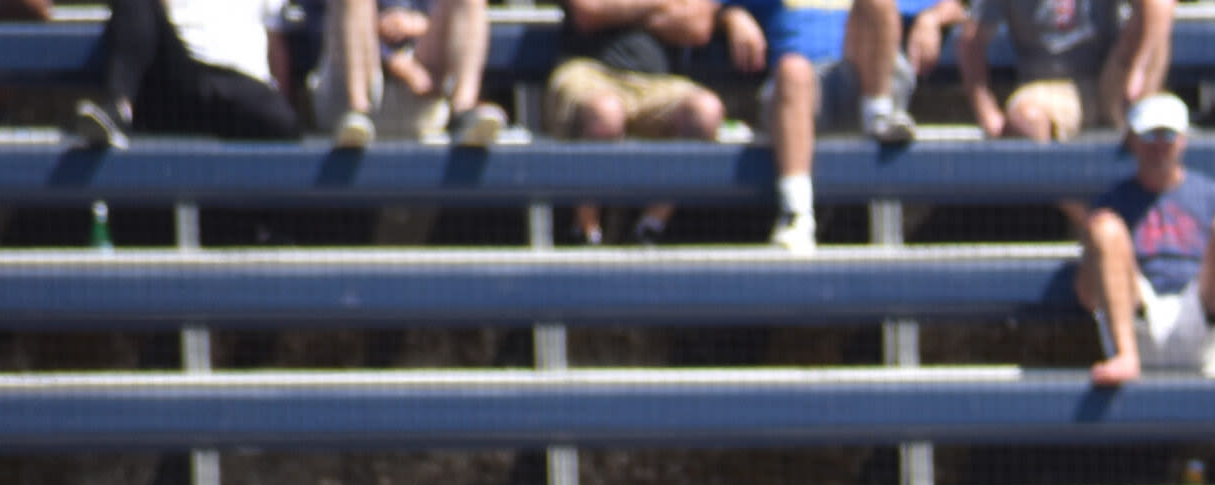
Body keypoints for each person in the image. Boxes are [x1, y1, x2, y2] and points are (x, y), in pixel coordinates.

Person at [1078, 93, 1215, 388]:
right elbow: (1087, 292)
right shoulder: (1112, 201)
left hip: (1200, 305)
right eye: (1149, 135)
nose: (1158, 145)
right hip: (1137, 307)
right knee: (1105, 228)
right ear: (1133, 140)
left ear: (1183, 138)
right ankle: (1125, 354)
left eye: (1167, 134)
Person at [548, 0, 764, 247]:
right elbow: (589, 12)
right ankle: (585, 232)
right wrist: (664, 7)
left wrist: (621, 11)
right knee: (605, 112)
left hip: (657, 82)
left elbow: (698, 26)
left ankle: (648, 229)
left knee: (705, 110)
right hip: (589, 72)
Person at [761, 0, 939, 254]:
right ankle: (796, 214)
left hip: (863, 78)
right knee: (793, 70)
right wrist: (733, 18)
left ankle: (879, 117)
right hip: (799, 90)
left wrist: (930, 18)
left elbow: (951, 5)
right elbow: (713, 9)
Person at [74, 0, 298, 144]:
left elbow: (276, 39)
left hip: (244, 88)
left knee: (280, 119)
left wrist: (280, 100)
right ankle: (118, 109)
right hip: (181, 75)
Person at [959, 0, 1169, 146]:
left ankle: (1145, 119)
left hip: (1111, 80)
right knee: (1027, 120)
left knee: (1156, 13)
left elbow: (1159, 7)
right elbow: (971, 41)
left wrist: (1138, 70)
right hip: (1050, 88)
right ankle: (1082, 211)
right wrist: (987, 111)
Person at [305, 0, 505, 148]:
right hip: (347, 94)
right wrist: (389, 60)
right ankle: (358, 110)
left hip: (424, 89)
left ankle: (463, 112)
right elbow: (316, 27)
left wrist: (421, 25)